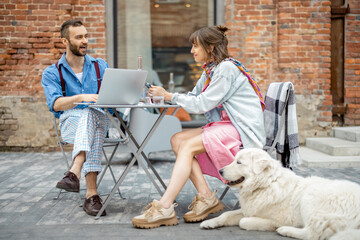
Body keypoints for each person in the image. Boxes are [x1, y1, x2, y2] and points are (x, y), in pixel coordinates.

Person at [132, 26, 266, 228]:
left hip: (243, 130)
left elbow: (202, 104)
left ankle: (164, 207)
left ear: (210, 47)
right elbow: (195, 97)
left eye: (195, 46)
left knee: (186, 146)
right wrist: (166, 96)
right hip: (228, 125)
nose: (192, 51)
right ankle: (206, 198)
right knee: (177, 139)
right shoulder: (211, 70)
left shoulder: (226, 69)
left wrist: (168, 96)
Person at [41, 20, 110, 217]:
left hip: (100, 119)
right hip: (70, 123)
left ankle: (74, 172)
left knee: (92, 115)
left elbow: (113, 98)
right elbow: (55, 104)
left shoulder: (100, 66)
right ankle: (91, 196)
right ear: (65, 41)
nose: (85, 41)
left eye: (86, 36)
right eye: (79, 37)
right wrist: (80, 98)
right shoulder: (52, 72)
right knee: (90, 118)